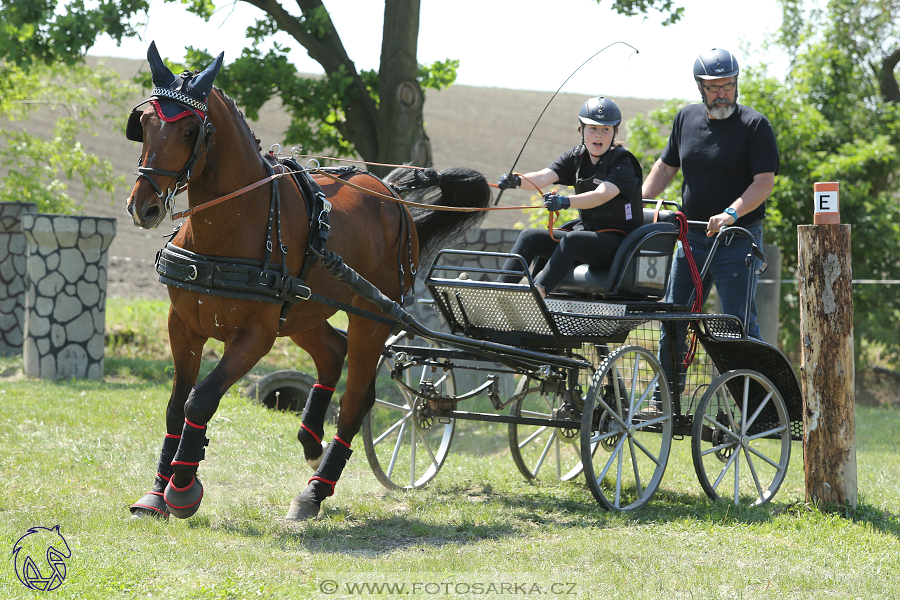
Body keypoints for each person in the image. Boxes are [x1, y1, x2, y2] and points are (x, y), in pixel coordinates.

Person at [641, 48, 779, 399]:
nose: (722, 94)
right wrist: (637, 207)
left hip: (736, 239)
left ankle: (755, 404)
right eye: (714, 87)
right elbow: (665, 168)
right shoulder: (685, 119)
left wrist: (731, 213)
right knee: (675, 321)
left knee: (738, 325)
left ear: (736, 84)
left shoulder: (755, 125)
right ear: (700, 88)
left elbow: (764, 183)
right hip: (691, 241)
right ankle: (664, 400)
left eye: (728, 86)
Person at [496, 96, 643, 298]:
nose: (598, 135)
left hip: (618, 243)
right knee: (530, 237)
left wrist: (565, 202)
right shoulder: (576, 158)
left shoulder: (622, 164)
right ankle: (499, 292)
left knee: (573, 239)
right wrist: (517, 180)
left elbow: (601, 195)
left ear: (615, 132)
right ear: (581, 130)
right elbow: (542, 177)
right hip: (586, 237)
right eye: (592, 128)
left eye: (605, 129)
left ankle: (536, 294)